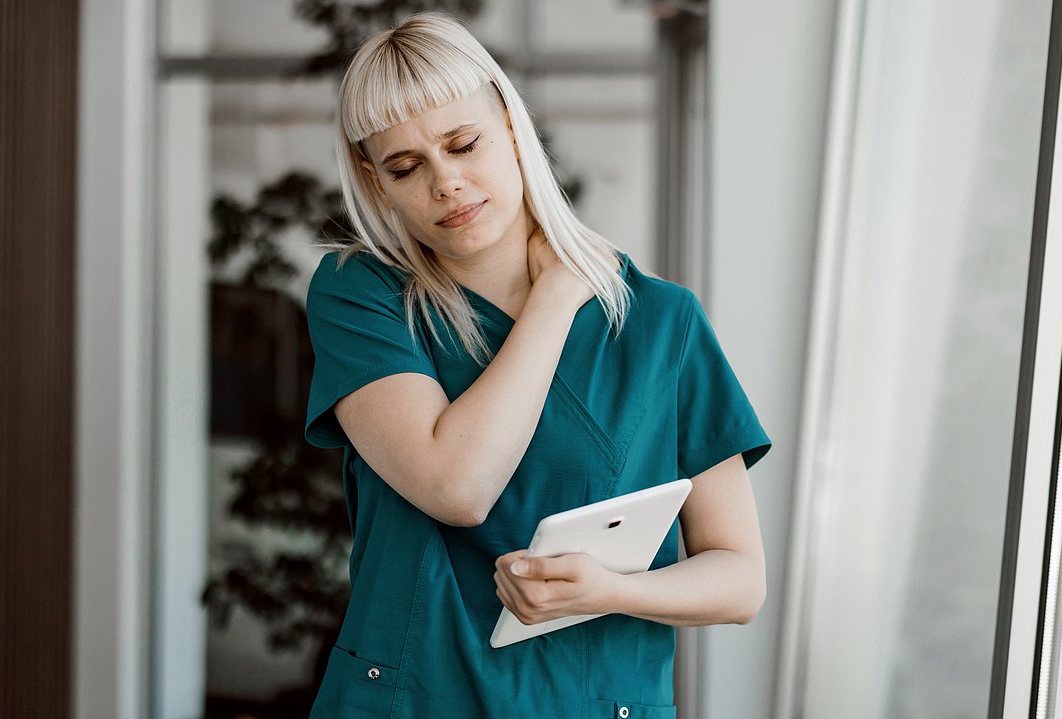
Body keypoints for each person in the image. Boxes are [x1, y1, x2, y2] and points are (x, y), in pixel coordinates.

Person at [300, 10, 772, 718]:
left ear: (514, 128)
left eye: (464, 144)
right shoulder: (362, 294)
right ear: (375, 181)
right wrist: (555, 297)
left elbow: (741, 579)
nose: (447, 183)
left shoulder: (659, 323)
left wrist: (611, 590)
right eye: (406, 166)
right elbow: (456, 485)